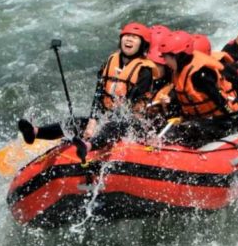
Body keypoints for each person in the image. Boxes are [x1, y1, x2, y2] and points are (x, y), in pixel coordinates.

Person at [18, 22, 160, 162]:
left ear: (142, 44)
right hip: (110, 117)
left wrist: (98, 126)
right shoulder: (110, 61)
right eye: (127, 35)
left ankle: (87, 145)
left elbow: (129, 105)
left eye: (135, 37)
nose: (129, 39)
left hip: (133, 123)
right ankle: (35, 132)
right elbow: (98, 93)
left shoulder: (144, 71)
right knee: (77, 122)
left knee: (111, 126)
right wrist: (93, 120)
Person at [155, 30, 238, 147]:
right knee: (171, 132)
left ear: (178, 56)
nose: (164, 61)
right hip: (202, 120)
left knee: (187, 131)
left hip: (222, 121)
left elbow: (220, 102)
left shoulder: (200, 74)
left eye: (166, 57)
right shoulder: (178, 72)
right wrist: (169, 102)